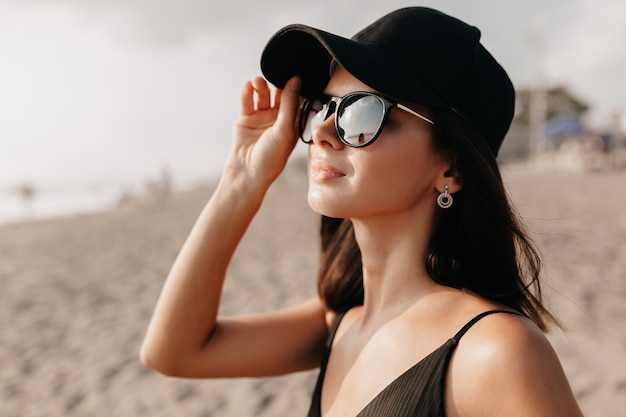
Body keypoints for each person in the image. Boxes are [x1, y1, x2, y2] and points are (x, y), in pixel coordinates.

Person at [140, 7, 584, 417]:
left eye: (363, 112)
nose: (326, 131)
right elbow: (174, 351)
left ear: (451, 165)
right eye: (322, 106)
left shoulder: (495, 352)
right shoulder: (339, 321)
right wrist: (241, 178)